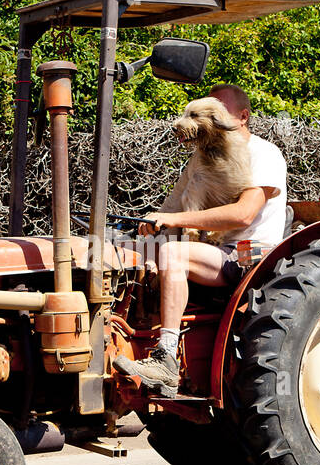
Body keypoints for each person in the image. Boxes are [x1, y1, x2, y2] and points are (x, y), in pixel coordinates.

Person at [114, 83, 287, 395]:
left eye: (216, 110)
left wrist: (174, 221)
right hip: (216, 251)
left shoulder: (263, 154)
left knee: (173, 255)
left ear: (242, 117)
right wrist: (149, 228)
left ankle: (165, 358)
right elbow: (174, 204)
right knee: (129, 253)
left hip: (252, 253)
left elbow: (244, 214)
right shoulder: (200, 158)